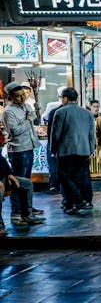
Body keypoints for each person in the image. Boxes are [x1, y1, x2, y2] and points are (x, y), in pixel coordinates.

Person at [49, 88, 96, 215]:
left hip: (66, 151)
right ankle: (74, 203)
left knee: (63, 177)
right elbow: (92, 134)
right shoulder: (87, 113)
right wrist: (91, 149)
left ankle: (78, 201)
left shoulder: (60, 112)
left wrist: (53, 149)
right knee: (79, 178)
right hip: (83, 150)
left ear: (65, 98)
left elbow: (56, 133)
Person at [2, 82, 40, 215]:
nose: (22, 98)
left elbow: (34, 121)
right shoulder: (8, 112)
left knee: (27, 181)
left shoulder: (26, 106)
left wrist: (35, 113)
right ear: (10, 97)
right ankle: (17, 211)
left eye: (23, 95)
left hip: (29, 147)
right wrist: (28, 120)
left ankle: (27, 208)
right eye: (17, 96)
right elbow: (15, 131)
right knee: (18, 182)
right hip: (18, 150)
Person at [0, 151, 45, 227]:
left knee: (27, 183)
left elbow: (1, 160)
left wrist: (9, 174)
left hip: (3, 179)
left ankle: (27, 215)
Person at [42, 88, 66, 194]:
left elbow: (50, 128)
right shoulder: (81, 111)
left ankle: (54, 186)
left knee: (54, 165)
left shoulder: (54, 110)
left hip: (55, 142)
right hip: (67, 143)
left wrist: (52, 145)